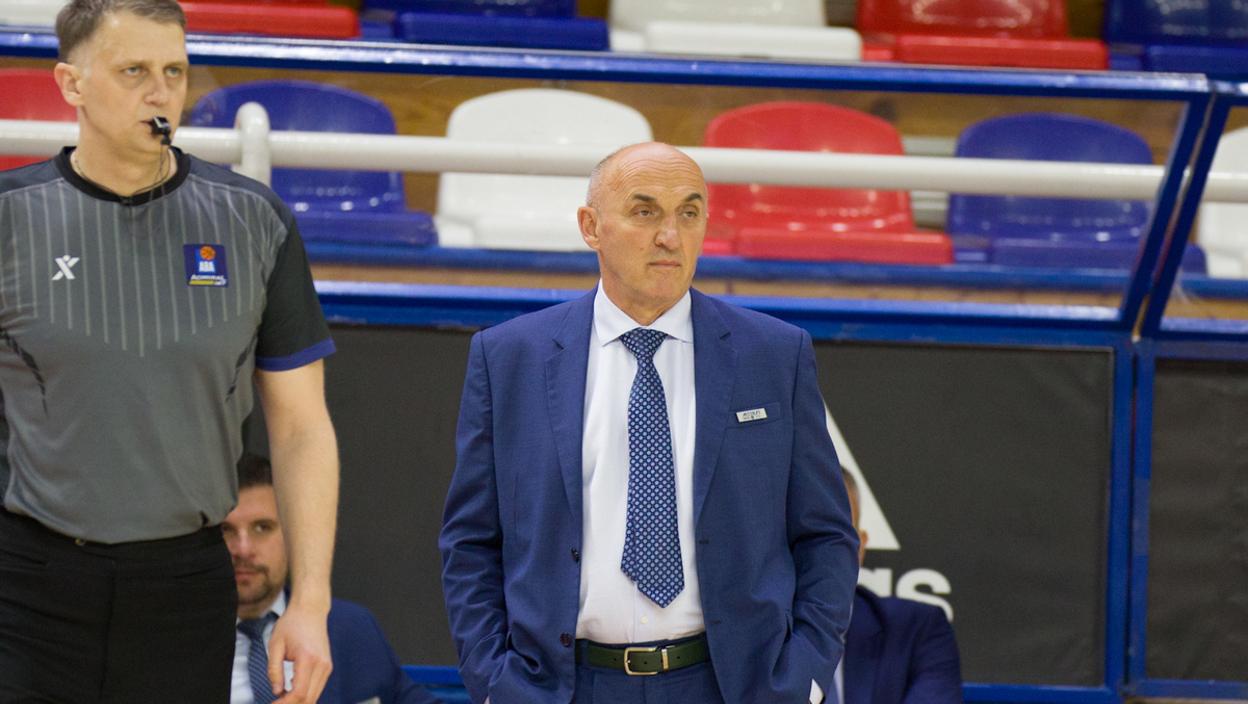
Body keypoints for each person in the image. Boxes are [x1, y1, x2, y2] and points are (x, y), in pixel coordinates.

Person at [0, 1, 339, 702]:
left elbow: (302, 428)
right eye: (133, 71)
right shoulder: (10, 218)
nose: (160, 93)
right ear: (71, 84)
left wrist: (310, 603)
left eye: (175, 72)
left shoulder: (253, 221)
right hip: (27, 582)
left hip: (185, 587)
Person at [440, 142, 859, 704]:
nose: (670, 236)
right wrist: (495, 682)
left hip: (733, 687)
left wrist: (803, 676)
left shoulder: (775, 354)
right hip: (561, 688)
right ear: (591, 227)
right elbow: (471, 540)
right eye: (645, 212)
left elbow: (826, 534)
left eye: (689, 213)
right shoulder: (509, 357)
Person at [226, 454, 438, 704]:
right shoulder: (182, 642)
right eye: (225, 530)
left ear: (294, 534)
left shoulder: (351, 629)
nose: (243, 549)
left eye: (263, 527)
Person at [840, 472, 962, 704]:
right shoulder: (763, 639)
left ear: (861, 547)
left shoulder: (919, 631)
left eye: (839, 534)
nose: (820, 552)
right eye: (804, 534)